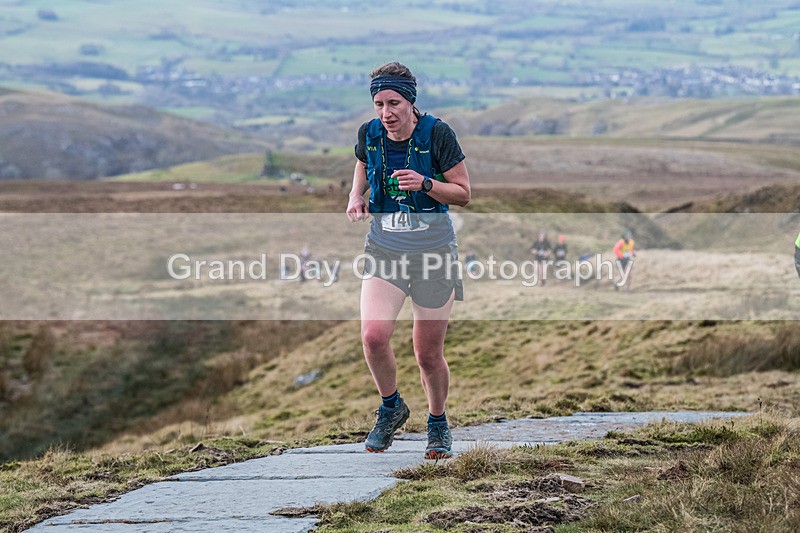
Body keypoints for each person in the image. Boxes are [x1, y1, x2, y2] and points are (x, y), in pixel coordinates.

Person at [346, 62, 471, 460]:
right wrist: (355, 196)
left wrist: (427, 184)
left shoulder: (437, 133)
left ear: (411, 101)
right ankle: (391, 407)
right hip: (385, 250)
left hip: (434, 255)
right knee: (373, 337)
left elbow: (464, 193)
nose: (386, 112)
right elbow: (364, 162)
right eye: (379, 103)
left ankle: (437, 422)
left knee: (427, 354)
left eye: (394, 102)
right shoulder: (369, 133)